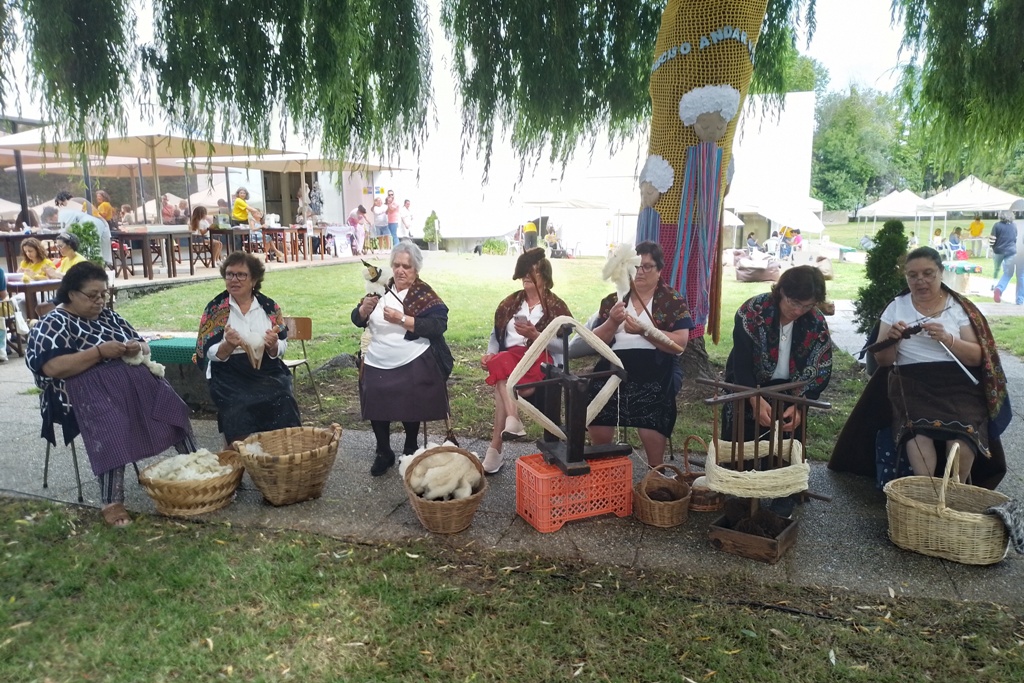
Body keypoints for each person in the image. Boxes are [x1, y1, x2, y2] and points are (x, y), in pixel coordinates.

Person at [27, 262, 195, 526]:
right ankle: (111, 500)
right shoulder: (53, 323)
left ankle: (196, 469)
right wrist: (98, 353)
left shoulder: (109, 317)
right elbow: (54, 367)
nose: (100, 301)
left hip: (131, 385)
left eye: (103, 294)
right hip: (81, 393)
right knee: (112, 427)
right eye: (92, 295)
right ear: (71, 294)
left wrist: (134, 347)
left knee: (173, 406)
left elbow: (144, 346)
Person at [830, 246, 1009, 489]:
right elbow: (884, 361)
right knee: (919, 433)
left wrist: (949, 339)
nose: (920, 280)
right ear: (906, 276)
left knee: (963, 436)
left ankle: (955, 493)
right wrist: (893, 339)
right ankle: (926, 494)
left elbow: (978, 357)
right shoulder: (897, 307)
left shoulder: (958, 307)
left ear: (941, 272)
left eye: (928, 273)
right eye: (912, 275)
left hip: (959, 382)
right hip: (911, 380)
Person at [587, 241, 692, 467]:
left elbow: (680, 344)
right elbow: (596, 342)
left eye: (647, 266)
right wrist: (612, 321)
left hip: (657, 364)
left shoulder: (671, 300)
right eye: (636, 266)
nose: (640, 272)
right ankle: (603, 469)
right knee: (596, 400)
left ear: (660, 270)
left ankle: (656, 473)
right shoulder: (614, 299)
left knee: (653, 403)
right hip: (615, 363)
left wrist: (646, 331)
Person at [351, 242, 453, 476]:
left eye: (406, 266)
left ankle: (410, 447)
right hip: (378, 358)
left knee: (410, 400)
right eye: (396, 265)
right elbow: (358, 320)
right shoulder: (380, 290)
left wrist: (403, 320)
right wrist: (362, 311)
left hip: (412, 356)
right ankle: (383, 451)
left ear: (416, 270)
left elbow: (439, 324)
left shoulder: (422, 293)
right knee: (376, 400)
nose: (400, 271)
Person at [479, 248, 573, 474]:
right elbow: (496, 335)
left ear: (545, 277)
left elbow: (566, 348)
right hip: (511, 359)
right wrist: (491, 353)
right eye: (524, 273)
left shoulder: (557, 307)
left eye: (532, 273)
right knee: (501, 364)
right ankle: (513, 419)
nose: (526, 278)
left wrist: (535, 336)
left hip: (540, 361)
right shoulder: (511, 303)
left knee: (504, 378)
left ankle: (496, 446)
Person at [196, 251, 301, 444]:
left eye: (241, 274)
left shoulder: (269, 307)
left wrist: (273, 345)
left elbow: (282, 344)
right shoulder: (216, 308)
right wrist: (227, 345)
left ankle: (278, 452)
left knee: (283, 398)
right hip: (228, 372)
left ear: (254, 279)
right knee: (238, 404)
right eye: (229, 274)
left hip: (266, 369)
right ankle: (237, 454)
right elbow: (207, 350)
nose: (234, 280)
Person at [722, 266, 833, 444]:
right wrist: (753, 397)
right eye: (794, 302)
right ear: (781, 291)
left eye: (807, 305)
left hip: (791, 395)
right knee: (740, 456)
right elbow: (740, 363)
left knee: (784, 461)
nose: (798, 311)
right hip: (747, 387)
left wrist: (800, 407)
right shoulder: (752, 312)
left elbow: (821, 369)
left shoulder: (816, 322)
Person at [990, 211, 1017, 282]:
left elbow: (992, 239)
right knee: (1008, 271)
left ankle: (994, 283)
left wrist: (992, 247)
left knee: (996, 269)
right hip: (1011, 251)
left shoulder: (997, 225)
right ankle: (1002, 285)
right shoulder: (1014, 225)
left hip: (998, 251)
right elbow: (1015, 238)